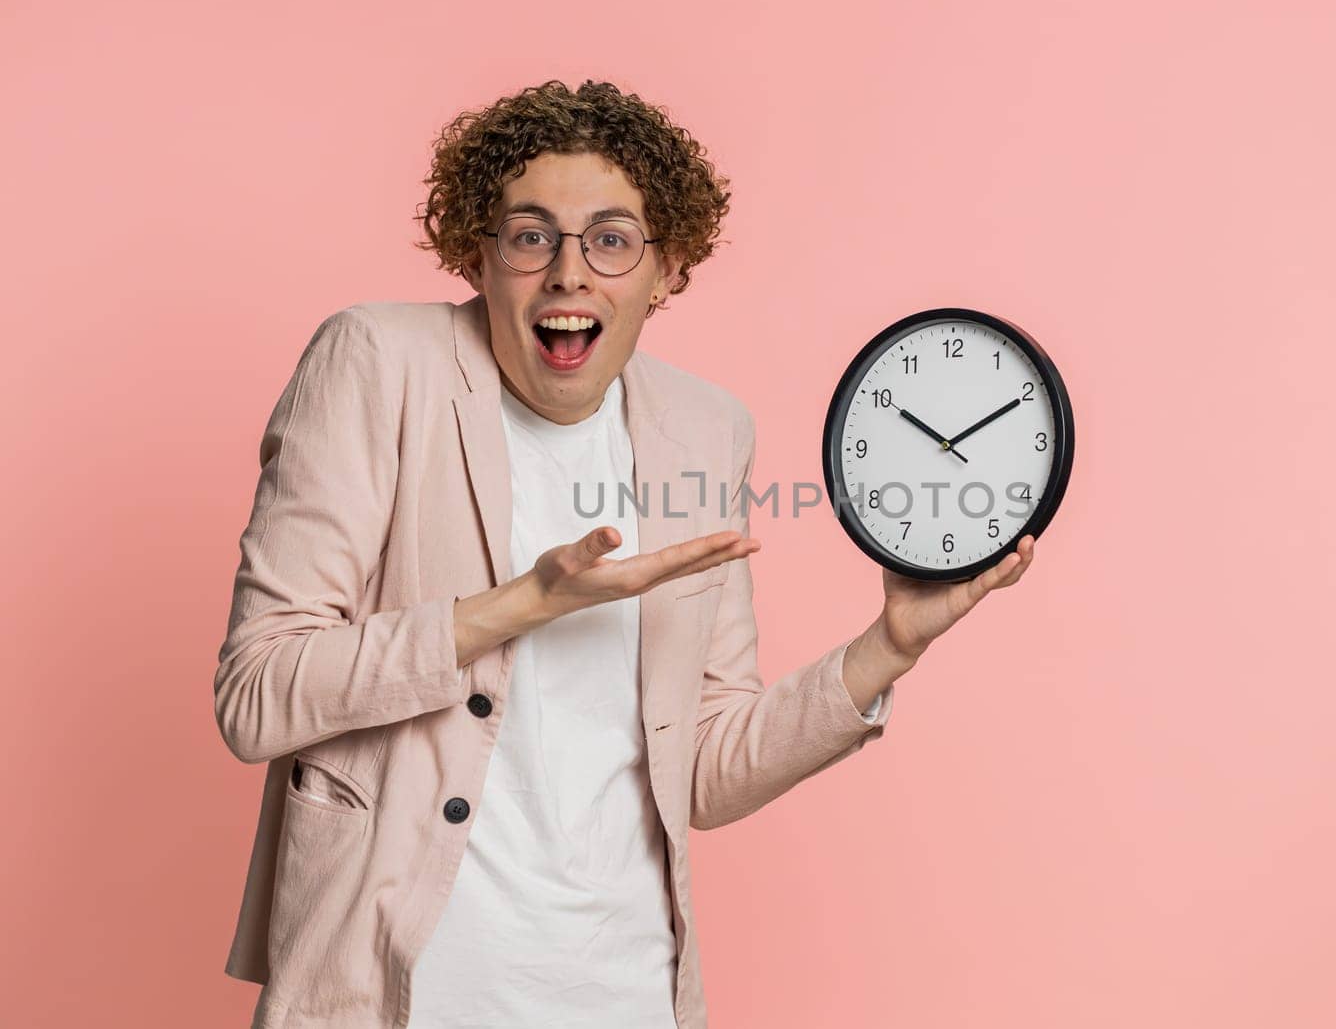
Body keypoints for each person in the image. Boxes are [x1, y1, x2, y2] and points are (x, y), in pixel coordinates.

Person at [214, 79, 1037, 1028]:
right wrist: (518, 605)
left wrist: (889, 645)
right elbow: (256, 691)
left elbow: (706, 771)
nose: (569, 272)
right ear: (479, 255)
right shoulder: (377, 363)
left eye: (610, 238)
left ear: (665, 267)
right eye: (531, 235)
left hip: (625, 994)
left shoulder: (704, 429)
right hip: (404, 992)